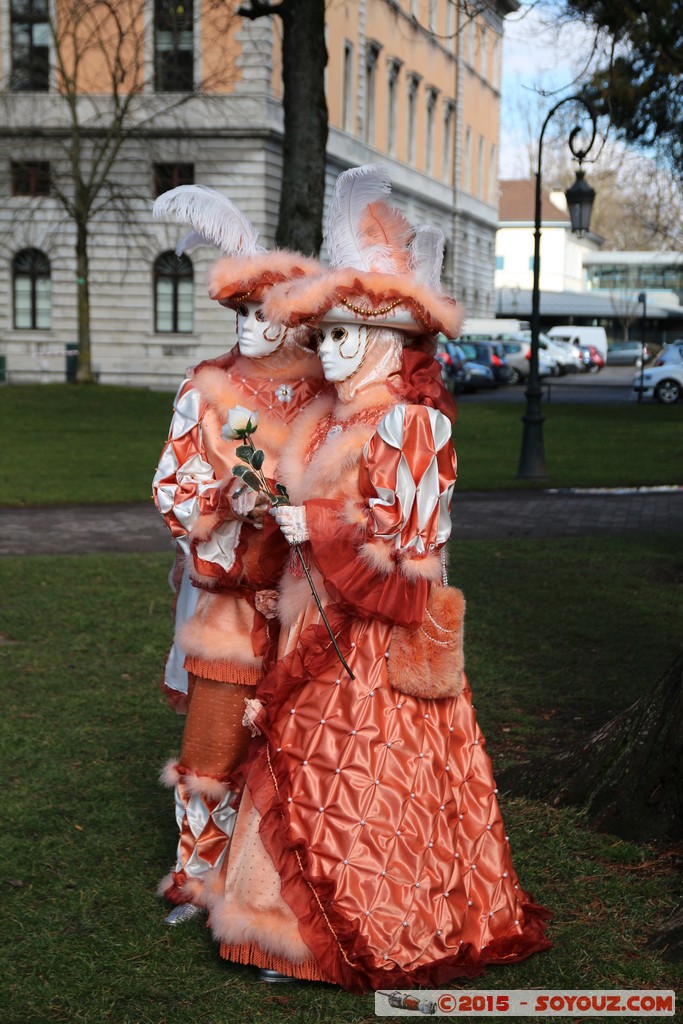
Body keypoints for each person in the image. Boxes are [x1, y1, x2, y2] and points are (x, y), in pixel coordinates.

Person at [200, 168, 551, 989]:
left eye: (340, 337)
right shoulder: (333, 416)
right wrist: (270, 501)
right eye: (321, 336)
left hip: (376, 649)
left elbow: (415, 543)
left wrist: (314, 524)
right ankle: (272, 930)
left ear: (388, 339)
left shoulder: (411, 420)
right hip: (313, 620)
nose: (324, 350)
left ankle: (344, 934)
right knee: (294, 766)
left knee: (365, 786)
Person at [152, 187, 326, 920]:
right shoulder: (207, 387)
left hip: (304, 605)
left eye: (268, 316)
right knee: (214, 737)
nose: (254, 329)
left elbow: (351, 480)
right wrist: (227, 496)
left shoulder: (327, 393)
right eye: (244, 315)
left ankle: (282, 886)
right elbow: (172, 483)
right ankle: (197, 876)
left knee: (297, 744)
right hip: (224, 606)